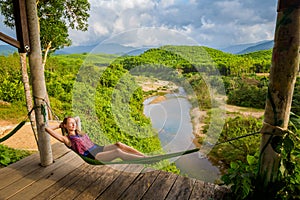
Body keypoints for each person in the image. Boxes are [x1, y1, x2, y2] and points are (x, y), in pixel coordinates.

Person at [45, 116, 146, 162]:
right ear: (65, 125)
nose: (73, 124)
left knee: (118, 144)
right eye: (70, 123)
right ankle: (142, 160)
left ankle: (143, 156)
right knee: (117, 152)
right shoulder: (67, 139)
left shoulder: (79, 132)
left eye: (74, 123)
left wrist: (72, 121)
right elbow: (47, 129)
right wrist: (59, 125)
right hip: (93, 156)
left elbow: (77, 118)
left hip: (97, 148)